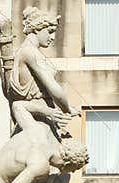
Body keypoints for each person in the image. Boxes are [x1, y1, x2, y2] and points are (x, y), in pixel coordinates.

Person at [7, 7, 80, 137]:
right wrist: (67, 109)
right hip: (38, 112)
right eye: (50, 31)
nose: (52, 37)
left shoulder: (30, 52)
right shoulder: (29, 52)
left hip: (44, 112)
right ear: (36, 28)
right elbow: (53, 88)